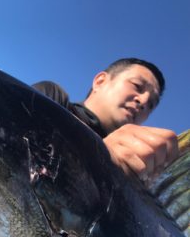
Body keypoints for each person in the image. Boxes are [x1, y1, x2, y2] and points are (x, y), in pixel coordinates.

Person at [32, 58, 179, 185]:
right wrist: (101, 157)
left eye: (151, 104)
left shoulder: (139, 170)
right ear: (100, 81)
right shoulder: (54, 98)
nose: (143, 101)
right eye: (137, 86)